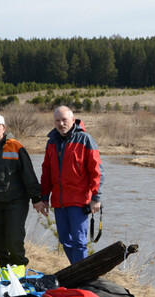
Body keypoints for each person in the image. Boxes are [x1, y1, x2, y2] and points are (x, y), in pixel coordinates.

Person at [0, 114, 43, 267]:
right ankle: (5, 271)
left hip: (16, 201)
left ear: (3, 128)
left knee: (13, 241)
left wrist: (36, 198)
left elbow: (28, 173)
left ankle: (20, 270)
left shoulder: (16, 147)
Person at [37, 106, 103, 264]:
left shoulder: (85, 139)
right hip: (59, 202)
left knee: (79, 242)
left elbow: (97, 170)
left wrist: (96, 197)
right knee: (65, 239)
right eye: (57, 121)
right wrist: (44, 198)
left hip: (79, 201)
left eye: (64, 120)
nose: (61, 124)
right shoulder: (51, 143)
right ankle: (77, 271)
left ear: (73, 120)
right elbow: (46, 172)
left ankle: (82, 277)